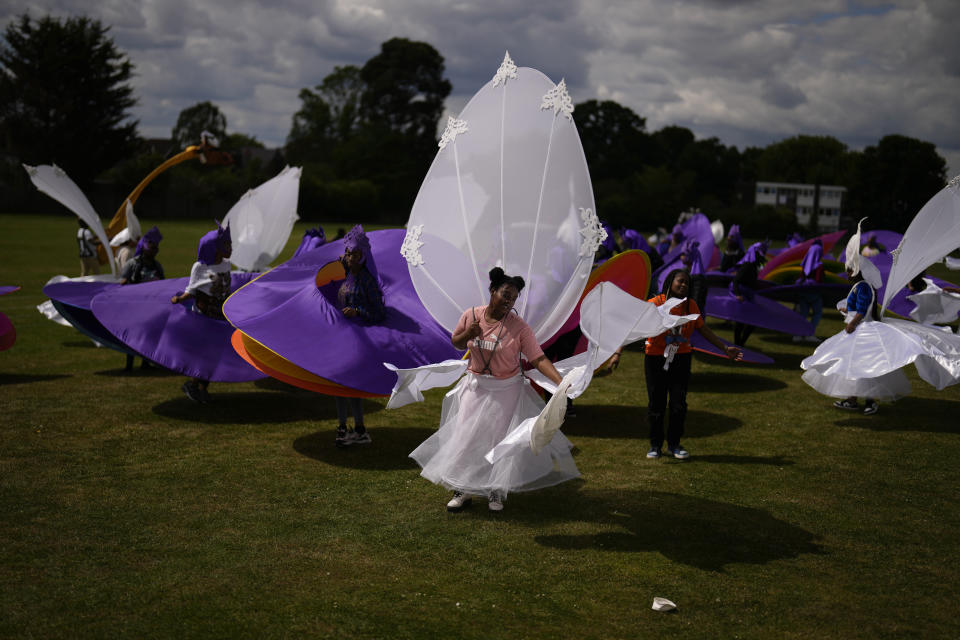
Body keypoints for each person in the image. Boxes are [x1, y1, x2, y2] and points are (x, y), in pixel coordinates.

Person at [410, 267, 574, 513]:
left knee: (498, 441)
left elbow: (538, 358)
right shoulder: (471, 315)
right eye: (505, 294)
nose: (509, 301)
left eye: (514, 297)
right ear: (492, 291)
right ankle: (461, 489)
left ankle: (496, 489)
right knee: (466, 437)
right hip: (475, 387)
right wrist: (469, 333)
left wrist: (561, 382)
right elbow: (455, 342)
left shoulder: (519, 327)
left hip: (506, 390)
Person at [639, 269, 742, 460]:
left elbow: (703, 329)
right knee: (657, 403)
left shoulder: (690, 306)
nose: (684, 285)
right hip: (655, 358)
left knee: (678, 404)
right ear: (671, 282)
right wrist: (617, 352)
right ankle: (655, 445)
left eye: (687, 283)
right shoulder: (656, 303)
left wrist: (724, 348)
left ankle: (674, 445)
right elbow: (634, 326)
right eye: (680, 281)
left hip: (681, 359)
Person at [333, 225, 385, 447]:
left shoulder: (367, 281)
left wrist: (358, 312)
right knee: (338, 385)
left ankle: (359, 428)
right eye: (348, 253)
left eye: (354, 254)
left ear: (363, 257)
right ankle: (343, 426)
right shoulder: (347, 276)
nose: (350, 257)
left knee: (351, 385)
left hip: (359, 340)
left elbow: (379, 312)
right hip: (343, 338)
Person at [171, 222, 233, 403]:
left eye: (230, 244)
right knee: (204, 354)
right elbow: (193, 289)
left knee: (214, 355)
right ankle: (193, 385)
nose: (231, 249)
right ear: (215, 247)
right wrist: (180, 299)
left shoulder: (227, 265)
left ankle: (202, 388)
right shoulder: (200, 268)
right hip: (203, 317)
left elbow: (226, 288)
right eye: (227, 245)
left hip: (220, 317)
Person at [832, 266, 880, 415]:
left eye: (850, 270)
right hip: (860, 330)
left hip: (862, 331)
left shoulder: (863, 286)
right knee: (854, 366)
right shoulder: (861, 286)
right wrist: (846, 311)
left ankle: (869, 401)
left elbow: (862, 310)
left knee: (864, 366)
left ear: (859, 271)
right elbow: (858, 307)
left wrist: (852, 323)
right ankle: (853, 399)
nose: (847, 273)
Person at [119, 226, 164, 371]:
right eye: (151, 247)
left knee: (148, 335)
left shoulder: (157, 266)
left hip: (151, 307)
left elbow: (164, 284)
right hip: (135, 306)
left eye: (155, 248)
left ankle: (146, 363)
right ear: (144, 248)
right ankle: (129, 364)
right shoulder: (133, 264)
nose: (154, 251)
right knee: (132, 336)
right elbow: (122, 283)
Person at [730, 242, 767, 346]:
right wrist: (738, 295)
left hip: (749, 296)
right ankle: (738, 343)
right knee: (741, 322)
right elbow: (736, 280)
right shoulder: (747, 265)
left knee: (751, 321)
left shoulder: (754, 265)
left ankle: (741, 343)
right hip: (743, 296)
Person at [793, 239, 824, 343]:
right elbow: (819, 280)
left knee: (803, 314)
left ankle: (797, 335)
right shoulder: (819, 265)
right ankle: (809, 334)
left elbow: (801, 277)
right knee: (817, 313)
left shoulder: (805, 263)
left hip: (803, 292)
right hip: (814, 294)